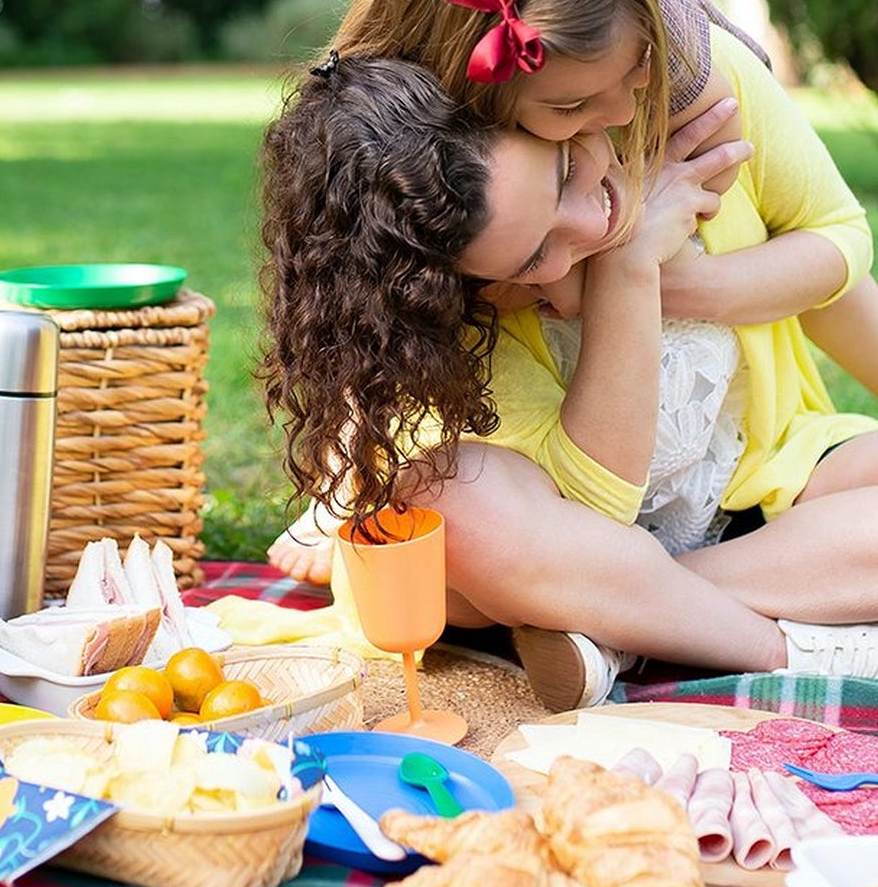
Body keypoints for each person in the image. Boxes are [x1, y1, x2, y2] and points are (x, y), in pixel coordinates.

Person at [266, 0, 878, 589]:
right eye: (569, 108)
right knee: (452, 536)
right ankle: (666, 599)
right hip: (558, 502)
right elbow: (371, 331)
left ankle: (656, 606)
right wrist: (616, 269)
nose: (620, 110)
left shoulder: (698, 89)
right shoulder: (446, 199)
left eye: (636, 69)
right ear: (474, 94)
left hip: (756, 466)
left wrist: (672, 281)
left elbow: (839, 241)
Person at [232, 48, 878, 711]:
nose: (589, 221)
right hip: (558, 548)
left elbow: (835, 260)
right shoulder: (465, 295)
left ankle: (623, 632)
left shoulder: (685, 107)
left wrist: (671, 278)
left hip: (750, 495)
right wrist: (625, 269)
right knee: (449, 501)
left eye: (567, 168)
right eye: (535, 252)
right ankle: (781, 647)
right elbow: (596, 516)